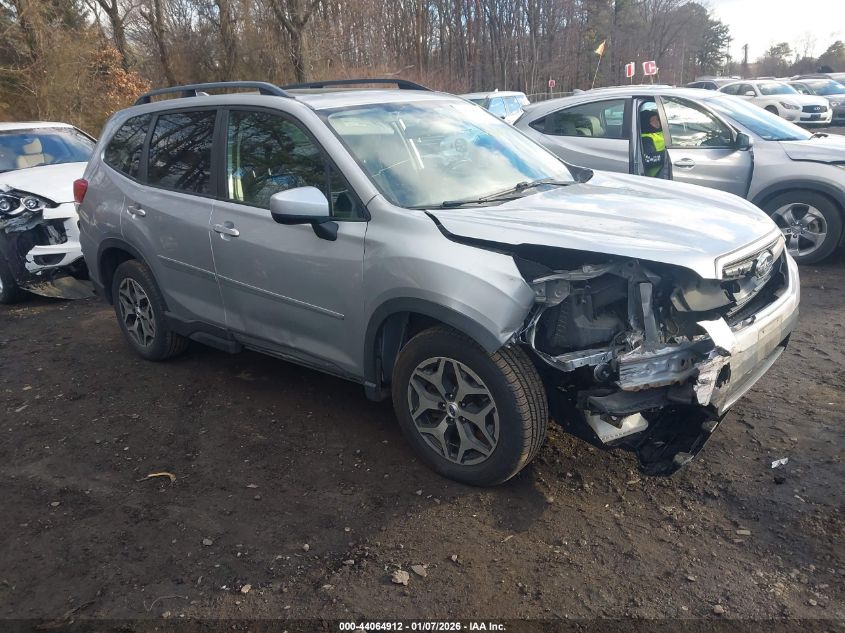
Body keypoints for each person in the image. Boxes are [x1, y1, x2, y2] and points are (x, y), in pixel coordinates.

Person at [639, 109, 665, 178]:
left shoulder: (662, 132)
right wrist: (668, 155)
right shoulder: (646, 138)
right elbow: (649, 159)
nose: (657, 122)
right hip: (657, 174)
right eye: (653, 121)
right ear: (646, 123)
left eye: (657, 119)